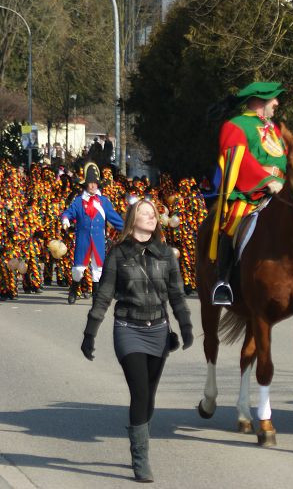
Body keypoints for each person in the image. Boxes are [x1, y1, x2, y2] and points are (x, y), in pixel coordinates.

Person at [80, 199, 193, 482]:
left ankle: (137, 428)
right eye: (144, 213)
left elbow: (177, 295)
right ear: (132, 219)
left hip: (158, 330)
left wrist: (186, 326)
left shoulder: (166, 254)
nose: (151, 217)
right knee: (140, 392)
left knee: (149, 397)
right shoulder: (118, 253)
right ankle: (140, 458)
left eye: (153, 213)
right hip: (128, 328)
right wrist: (90, 332)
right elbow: (104, 294)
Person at [208, 81, 288, 306]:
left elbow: (285, 160)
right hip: (249, 193)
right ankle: (222, 282)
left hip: (280, 189)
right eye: (274, 99)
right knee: (232, 224)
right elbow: (239, 161)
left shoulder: (275, 130)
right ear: (260, 101)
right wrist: (265, 181)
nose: (277, 103)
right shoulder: (236, 125)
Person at [61, 162, 125, 304]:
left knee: (98, 270)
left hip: (98, 240)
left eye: (95, 183)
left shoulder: (104, 201)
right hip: (83, 239)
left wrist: (127, 229)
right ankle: (74, 288)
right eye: (90, 183)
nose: (92, 186)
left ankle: (97, 296)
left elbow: (114, 218)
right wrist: (65, 220)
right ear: (86, 184)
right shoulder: (78, 201)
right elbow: (69, 213)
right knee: (78, 270)